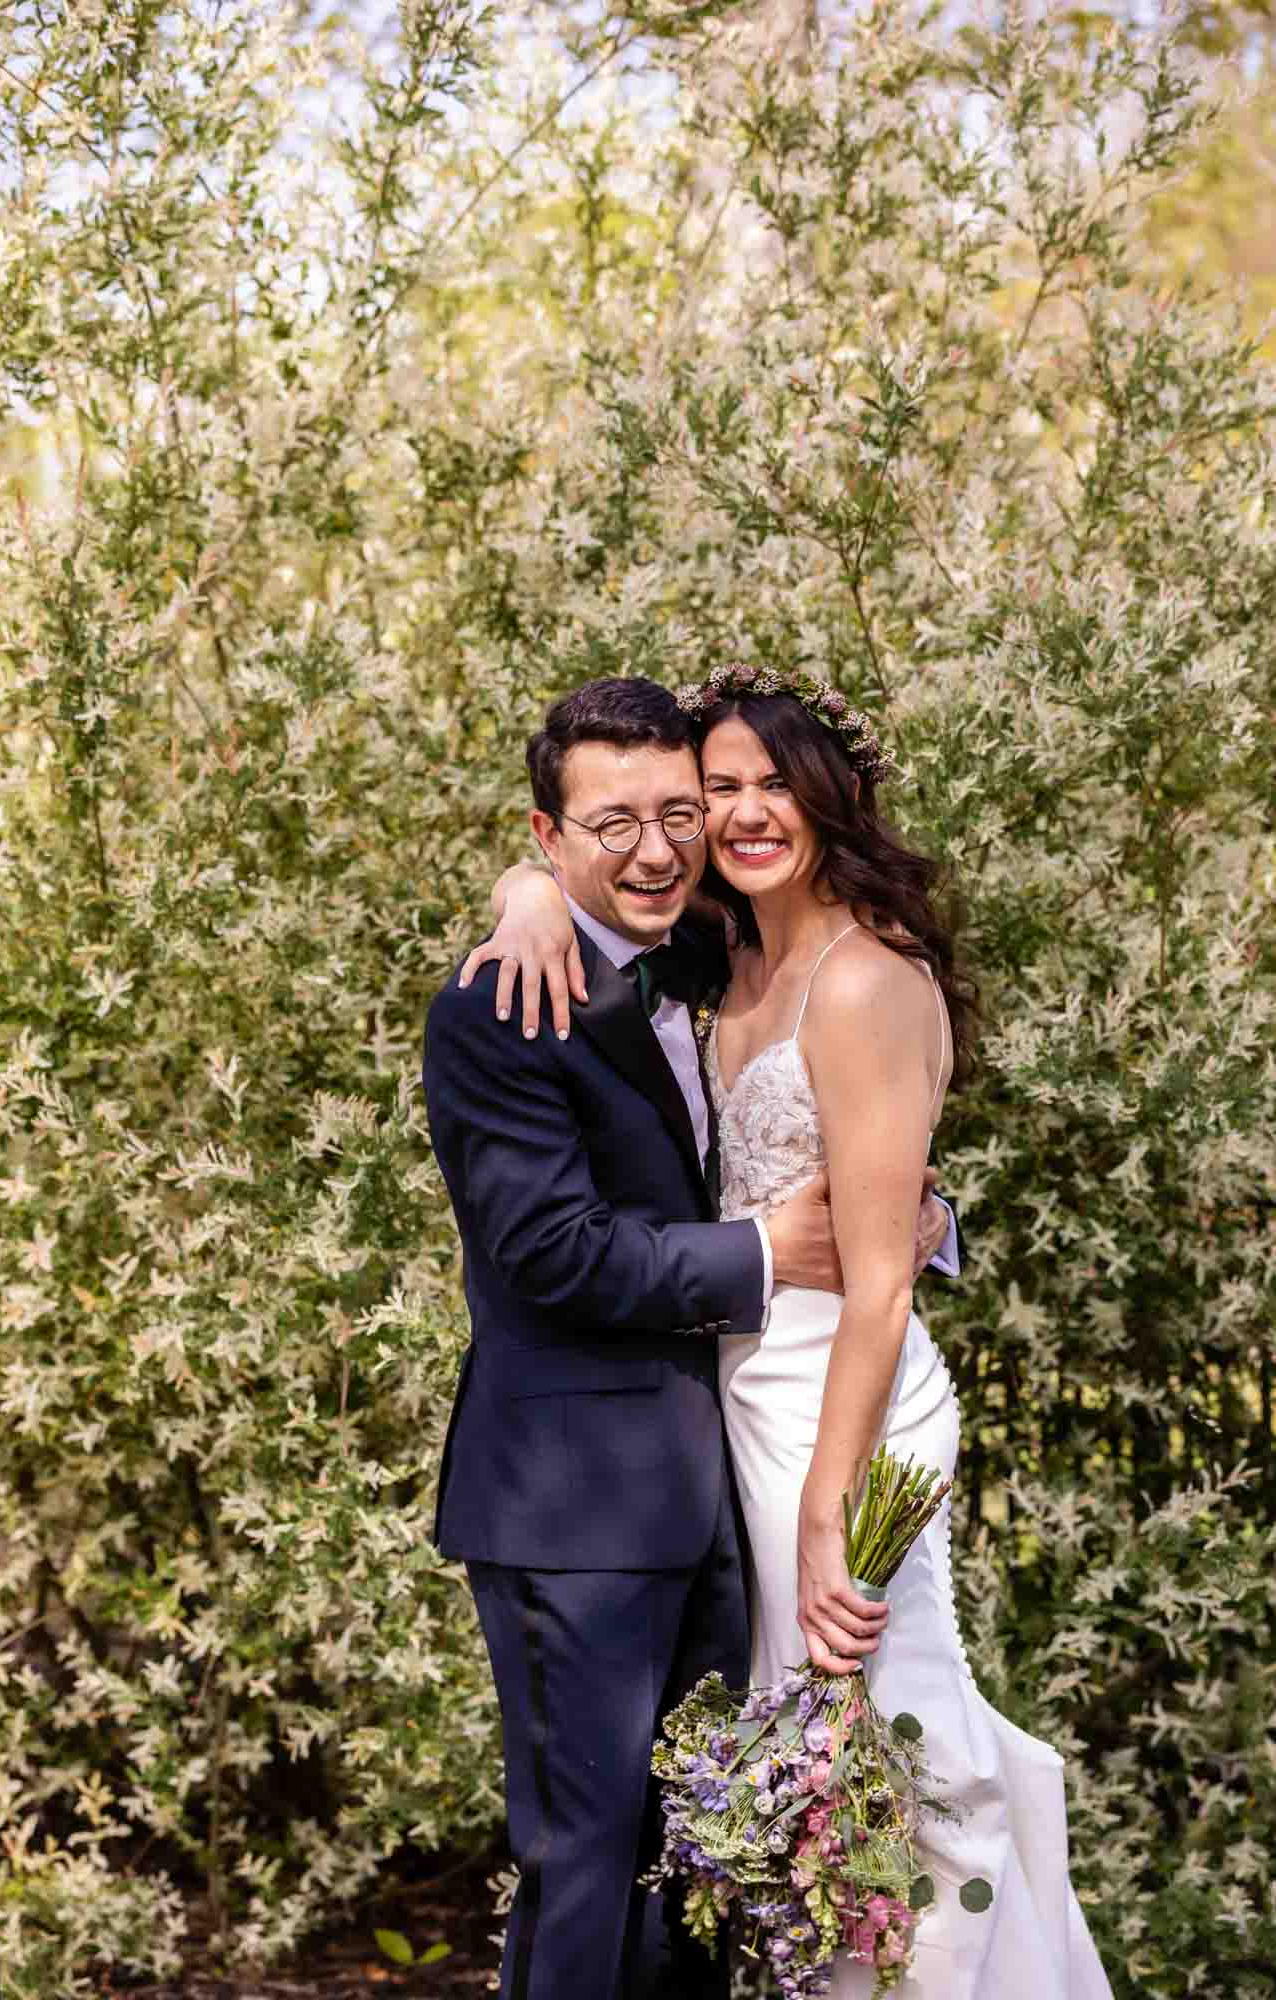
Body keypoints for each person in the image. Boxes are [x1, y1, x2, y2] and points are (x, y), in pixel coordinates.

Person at [473, 664, 1114, 1999]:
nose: (742, 814)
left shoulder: (864, 982)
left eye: (775, 784)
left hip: (840, 1401)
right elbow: (587, 889)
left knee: (894, 1738)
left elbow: (880, 1280)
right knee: (798, 1768)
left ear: (832, 798)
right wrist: (526, 890)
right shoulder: (727, 951)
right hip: (741, 1403)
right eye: (722, 790)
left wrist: (830, 1500)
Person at [422, 677, 951, 2000]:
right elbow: (549, 1252)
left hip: (720, 1473)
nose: (658, 846)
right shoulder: (499, 1003)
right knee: (588, 1862)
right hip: (576, 1507)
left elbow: (854, 1119)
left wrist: (913, 1226)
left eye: (679, 811)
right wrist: (769, 1251)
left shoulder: (714, 955)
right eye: (611, 825)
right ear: (548, 837)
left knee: (698, 1855)